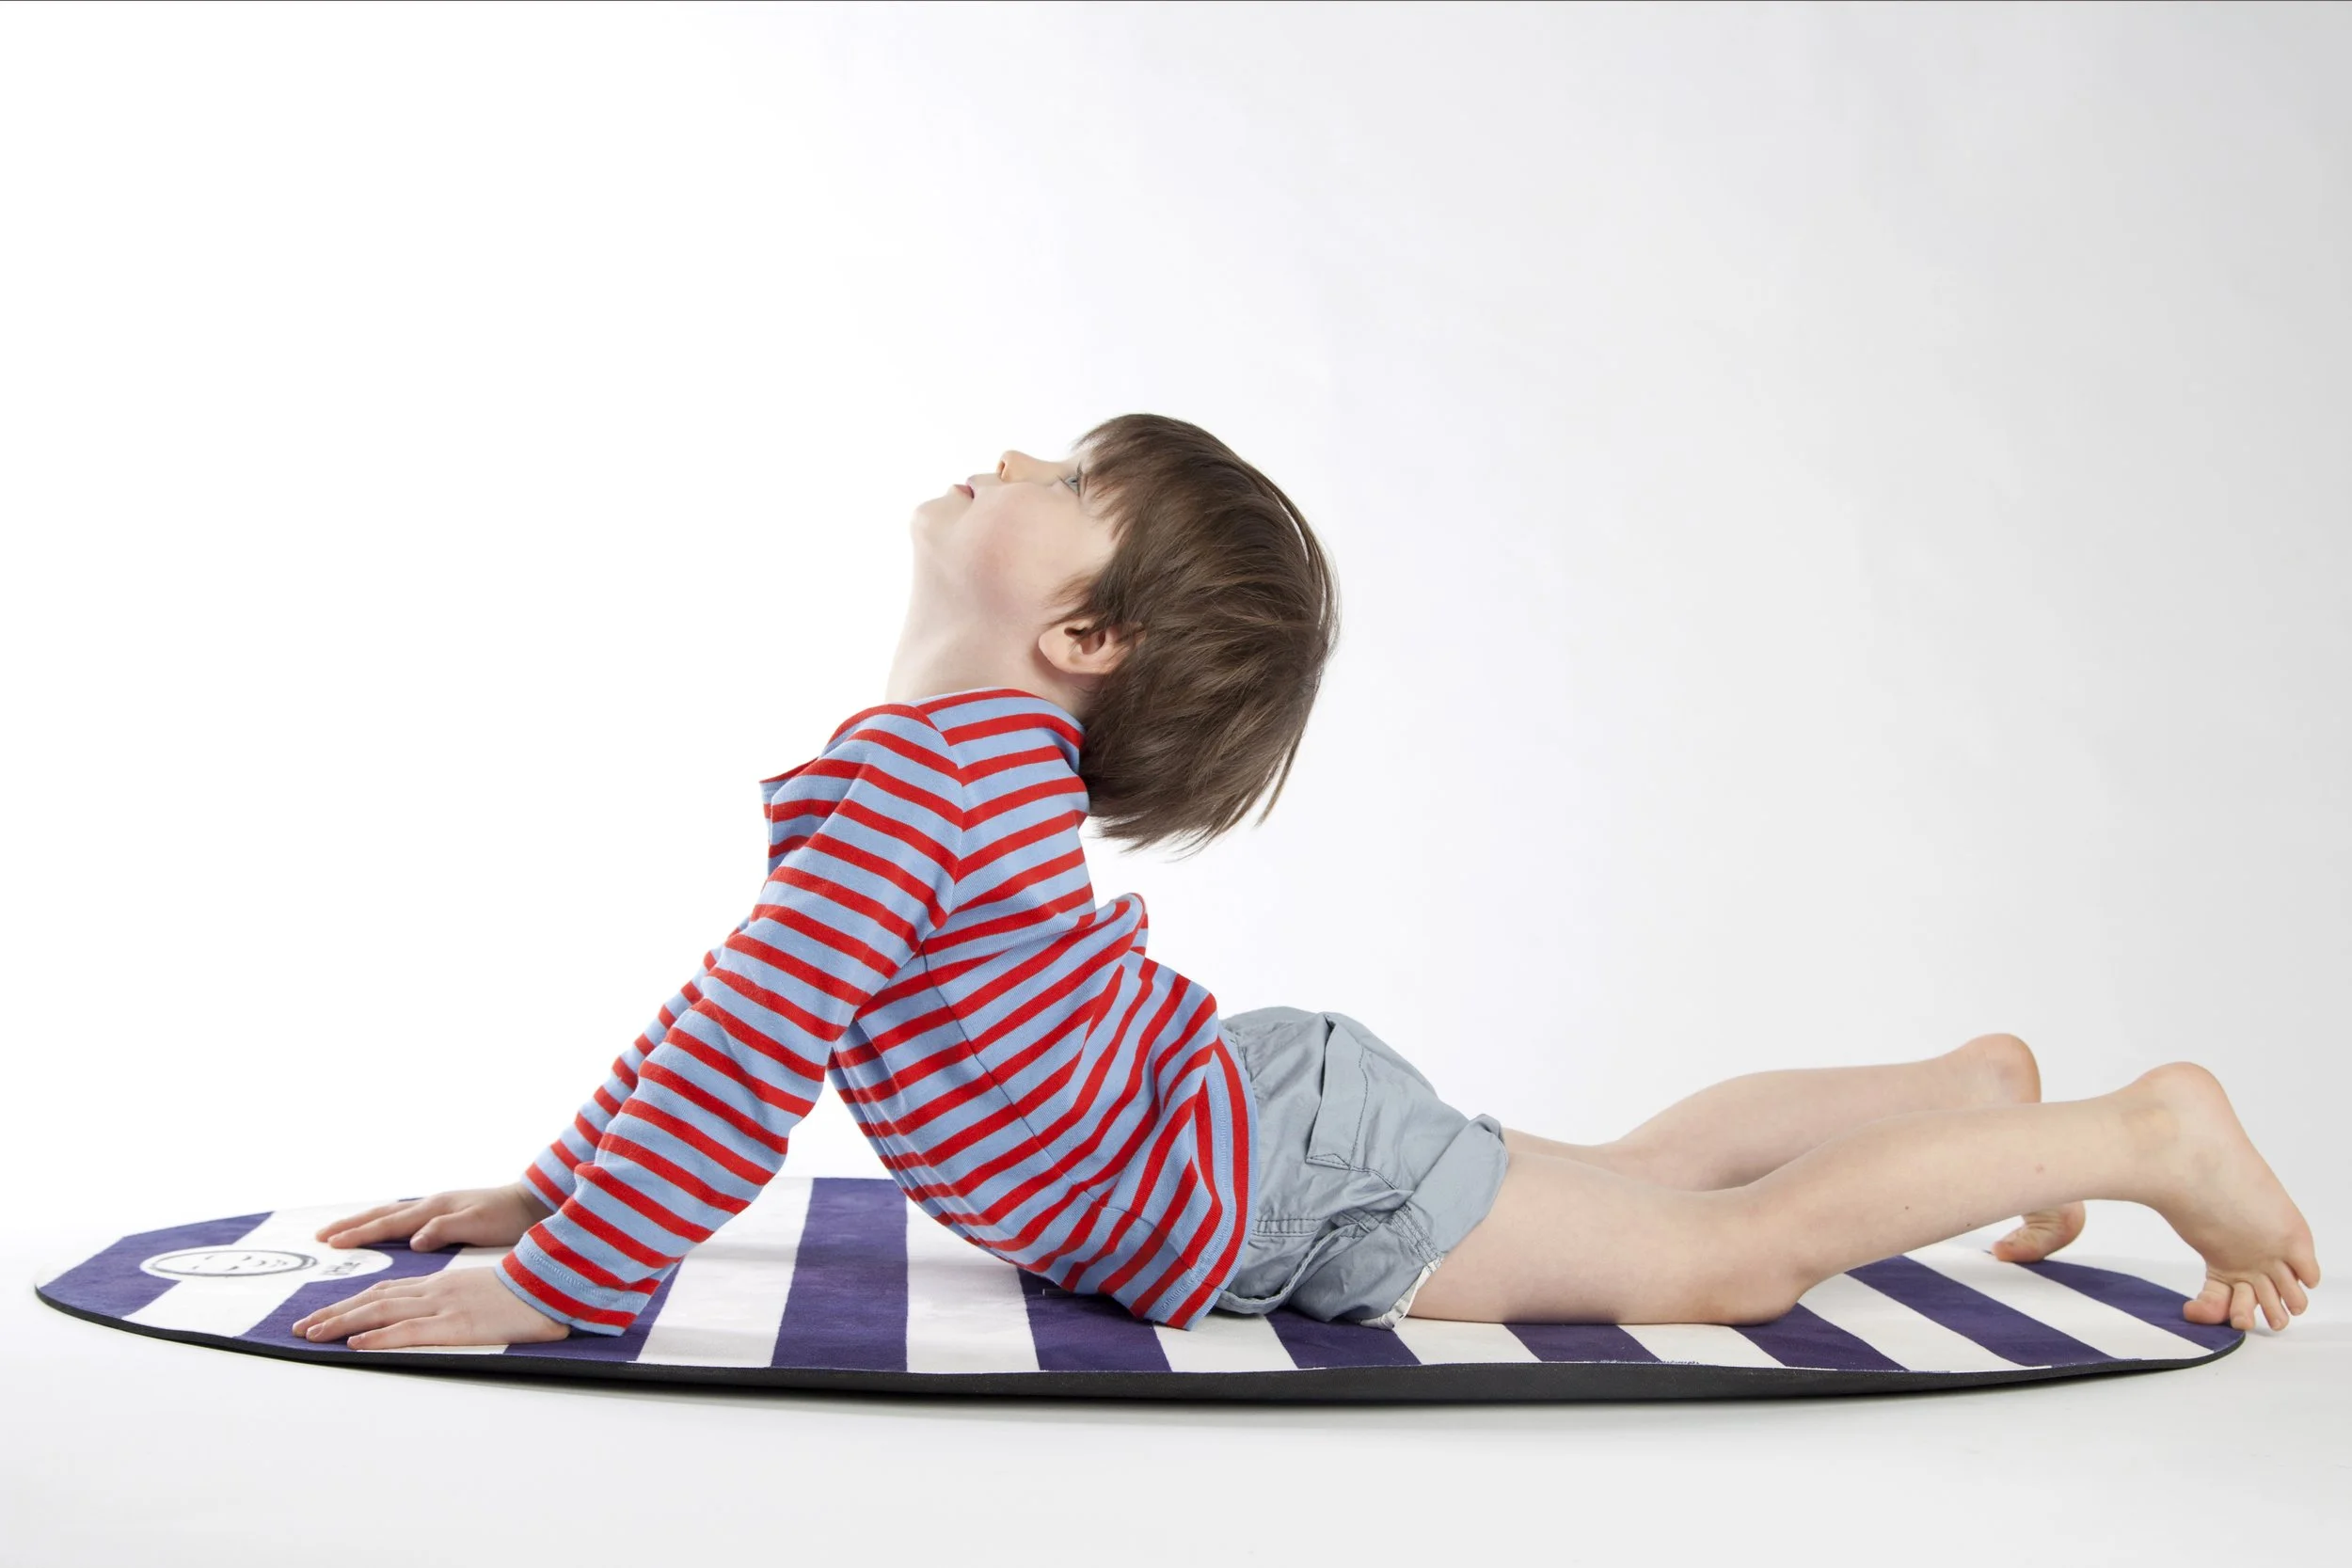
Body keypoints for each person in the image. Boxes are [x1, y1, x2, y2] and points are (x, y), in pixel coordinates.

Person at [290, 415, 2320, 1353]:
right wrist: (557, 1186)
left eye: (1061, 481)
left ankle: (2139, 1129)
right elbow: (735, 1007)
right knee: (1641, 1178)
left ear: (1084, 637)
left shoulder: (925, 774)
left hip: (1274, 1172)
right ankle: (1964, 1097)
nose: (1009, 447)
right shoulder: (921, 767)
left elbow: (750, 1037)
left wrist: (565, 1278)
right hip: (1258, 1124)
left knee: (1725, 1261)